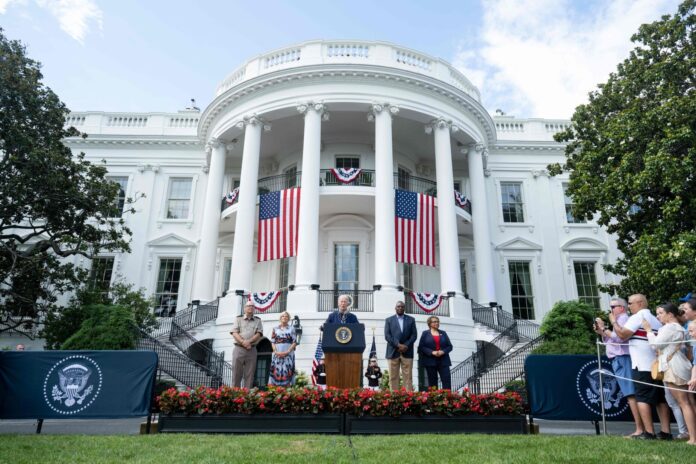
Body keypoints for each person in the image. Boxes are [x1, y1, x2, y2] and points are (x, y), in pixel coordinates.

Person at [611, 293, 672, 440]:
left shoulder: (637, 317)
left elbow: (622, 335)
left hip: (642, 365)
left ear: (639, 303)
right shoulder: (656, 320)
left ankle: (649, 432)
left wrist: (613, 322)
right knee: (660, 399)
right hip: (656, 366)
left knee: (642, 399)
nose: (629, 306)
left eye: (631, 303)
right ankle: (665, 432)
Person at [643, 303, 696, 445]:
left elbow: (655, 345)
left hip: (673, 367)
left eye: (661, 313)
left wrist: (648, 331)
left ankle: (693, 438)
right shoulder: (679, 328)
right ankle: (693, 436)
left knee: (684, 403)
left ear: (670, 314)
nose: (658, 316)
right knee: (689, 402)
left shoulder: (669, 327)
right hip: (681, 364)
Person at [594, 297, 644, 437]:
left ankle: (640, 429)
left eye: (614, 306)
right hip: (618, 358)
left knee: (631, 394)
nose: (611, 309)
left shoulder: (622, 319)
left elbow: (619, 338)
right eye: (610, 306)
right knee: (630, 394)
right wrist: (602, 332)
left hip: (623, 358)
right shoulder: (618, 320)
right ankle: (640, 428)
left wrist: (605, 328)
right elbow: (611, 339)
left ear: (621, 308)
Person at [384, 300, 417, 391]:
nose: (400, 308)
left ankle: (408, 397)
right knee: (393, 377)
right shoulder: (389, 320)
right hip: (393, 352)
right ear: (395, 308)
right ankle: (394, 397)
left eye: (402, 306)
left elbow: (414, 335)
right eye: (398, 306)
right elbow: (387, 336)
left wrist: (406, 345)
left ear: (404, 308)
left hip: (407, 351)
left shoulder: (411, 320)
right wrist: (398, 345)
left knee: (408, 377)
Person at [230, 301, 263, 388]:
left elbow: (259, 333)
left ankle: (247, 396)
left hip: (251, 349)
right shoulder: (238, 319)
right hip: (239, 348)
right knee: (236, 373)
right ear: (244, 308)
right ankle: (235, 394)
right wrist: (243, 342)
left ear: (254, 309)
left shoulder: (258, 320)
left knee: (250, 374)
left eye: (252, 306)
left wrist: (249, 342)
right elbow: (234, 332)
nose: (250, 307)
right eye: (248, 306)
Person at [418, 315, 452, 390]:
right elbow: (421, 347)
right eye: (434, 322)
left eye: (438, 321)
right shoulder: (425, 333)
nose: (437, 323)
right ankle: (435, 400)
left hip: (444, 361)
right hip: (430, 361)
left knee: (446, 381)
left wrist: (443, 351)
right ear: (430, 324)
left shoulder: (443, 333)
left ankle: (448, 399)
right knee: (433, 382)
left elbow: (450, 346)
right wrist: (431, 352)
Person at [268, 311, 297, 386]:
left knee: (287, 372)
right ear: (280, 318)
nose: (284, 317)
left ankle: (288, 392)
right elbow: (273, 342)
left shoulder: (292, 328)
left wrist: (288, 351)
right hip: (277, 355)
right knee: (275, 373)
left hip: (288, 355)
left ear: (288, 319)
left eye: (286, 316)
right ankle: (275, 391)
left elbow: (294, 342)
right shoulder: (275, 329)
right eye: (283, 316)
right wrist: (276, 352)